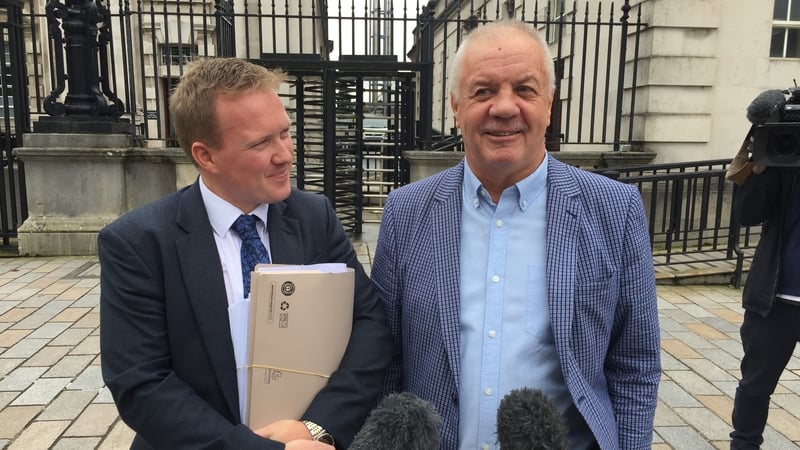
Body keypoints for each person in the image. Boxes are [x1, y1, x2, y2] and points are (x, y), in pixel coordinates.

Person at [371, 20, 660, 449]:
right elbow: (386, 359)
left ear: (549, 104)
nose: (504, 108)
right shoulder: (406, 212)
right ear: (455, 105)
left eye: (525, 89)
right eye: (483, 90)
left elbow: (634, 362)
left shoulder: (613, 209)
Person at [99, 58, 393, 450]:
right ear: (206, 156)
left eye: (284, 134)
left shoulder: (314, 217)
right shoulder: (138, 242)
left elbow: (370, 322)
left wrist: (316, 427)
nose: (285, 154)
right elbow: (141, 383)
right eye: (260, 143)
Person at [730, 161, 800, 449]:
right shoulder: (786, 154)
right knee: (755, 386)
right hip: (776, 296)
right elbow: (748, 215)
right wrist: (758, 169)